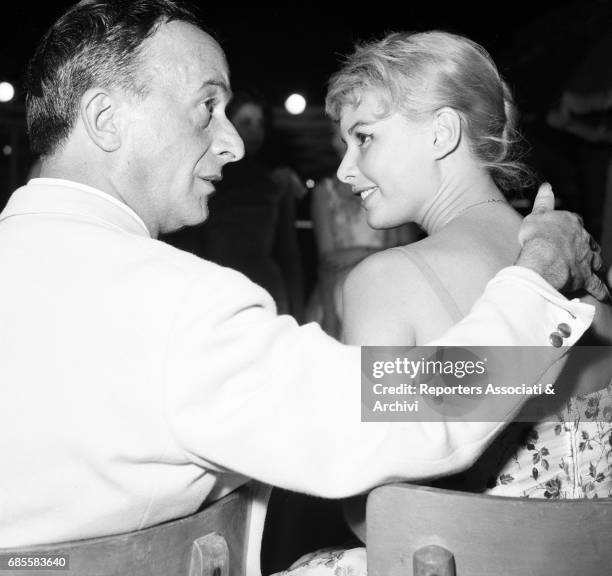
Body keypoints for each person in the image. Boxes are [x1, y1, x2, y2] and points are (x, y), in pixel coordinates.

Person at [0, 2, 603, 572]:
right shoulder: (179, 305)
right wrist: (538, 277)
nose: (234, 143)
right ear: (107, 121)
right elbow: (401, 415)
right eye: (206, 106)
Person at [163, 90, 305, 319]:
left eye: (260, 123)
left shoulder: (274, 183)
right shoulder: (202, 179)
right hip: (215, 292)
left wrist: (298, 314)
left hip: (266, 291)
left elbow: (288, 253)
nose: (255, 131)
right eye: (246, 122)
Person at [307, 121, 420, 338]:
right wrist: (330, 319)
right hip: (335, 294)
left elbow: (408, 252)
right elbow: (328, 261)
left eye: (358, 137)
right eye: (339, 138)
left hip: (386, 291)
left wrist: (361, 253)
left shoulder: (394, 187)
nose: (346, 146)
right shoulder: (325, 192)